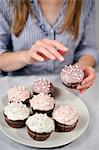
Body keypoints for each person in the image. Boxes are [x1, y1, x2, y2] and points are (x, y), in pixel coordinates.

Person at [0, 0, 98, 93]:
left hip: (68, 91)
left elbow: (88, 48)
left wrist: (84, 64)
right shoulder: (6, 3)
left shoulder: (86, 3)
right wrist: (25, 57)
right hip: (18, 87)